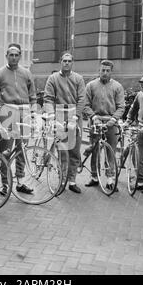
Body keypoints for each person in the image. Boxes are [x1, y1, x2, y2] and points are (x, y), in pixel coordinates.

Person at [0, 43, 37, 196]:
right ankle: (5, 183)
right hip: (7, 112)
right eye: (11, 55)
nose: (14, 57)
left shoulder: (26, 73)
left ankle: (20, 182)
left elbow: (33, 95)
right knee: (6, 150)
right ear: (6, 56)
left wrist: (34, 114)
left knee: (22, 149)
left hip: (24, 112)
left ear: (20, 56)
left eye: (17, 55)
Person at [43, 52, 85, 193]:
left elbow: (81, 99)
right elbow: (48, 98)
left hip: (74, 118)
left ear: (72, 62)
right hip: (59, 117)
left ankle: (72, 181)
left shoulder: (78, 79)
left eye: (69, 61)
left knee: (74, 151)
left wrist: (76, 117)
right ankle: (61, 179)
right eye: (64, 60)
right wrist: (51, 116)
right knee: (62, 151)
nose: (66, 63)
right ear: (60, 61)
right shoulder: (53, 78)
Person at [83, 60, 125, 187]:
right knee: (95, 149)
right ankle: (94, 176)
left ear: (111, 72)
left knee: (110, 150)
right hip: (95, 121)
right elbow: (85, 105)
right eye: (103, 70)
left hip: (111, 122)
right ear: (99, 71)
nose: (105, 73)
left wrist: (114, 119)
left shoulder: (117, 87)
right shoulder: (91, 85)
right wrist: (93, 116)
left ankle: (110, 178)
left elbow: (121, 107)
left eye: (107, 70)